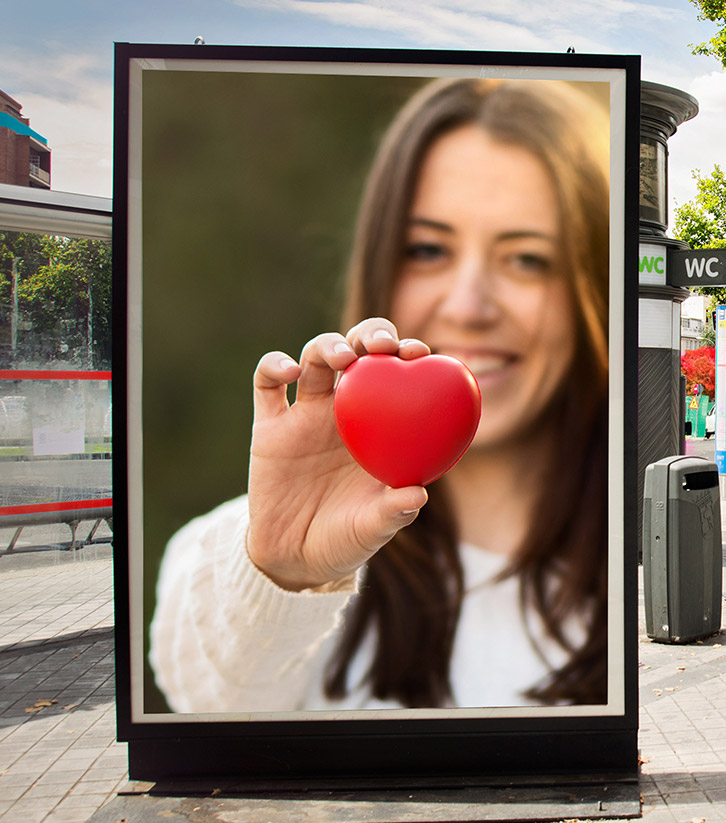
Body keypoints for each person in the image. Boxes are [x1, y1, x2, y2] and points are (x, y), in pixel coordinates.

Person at [149, 77, 612, 712]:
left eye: (527, 258)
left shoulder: (632, 561)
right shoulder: (227, 557)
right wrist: (284, 574)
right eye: (428, 249)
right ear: (378, 266)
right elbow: (212, 704)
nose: (470, 306)